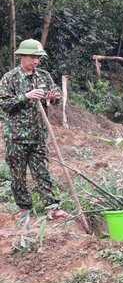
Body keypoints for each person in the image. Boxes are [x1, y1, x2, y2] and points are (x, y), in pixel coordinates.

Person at [0, 39, 73, 220]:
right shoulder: (10, 78)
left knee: (42, 171)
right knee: (18, 174)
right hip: (16, 137)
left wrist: (52, 97)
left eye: (38, 58)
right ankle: (24, 208)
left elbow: (56, 94)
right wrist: (26, 96)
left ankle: (52, 207)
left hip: (38, 134)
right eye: (33, 57)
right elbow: (4, 103)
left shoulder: (43, 76)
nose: (36, 61)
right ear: (22, 56)